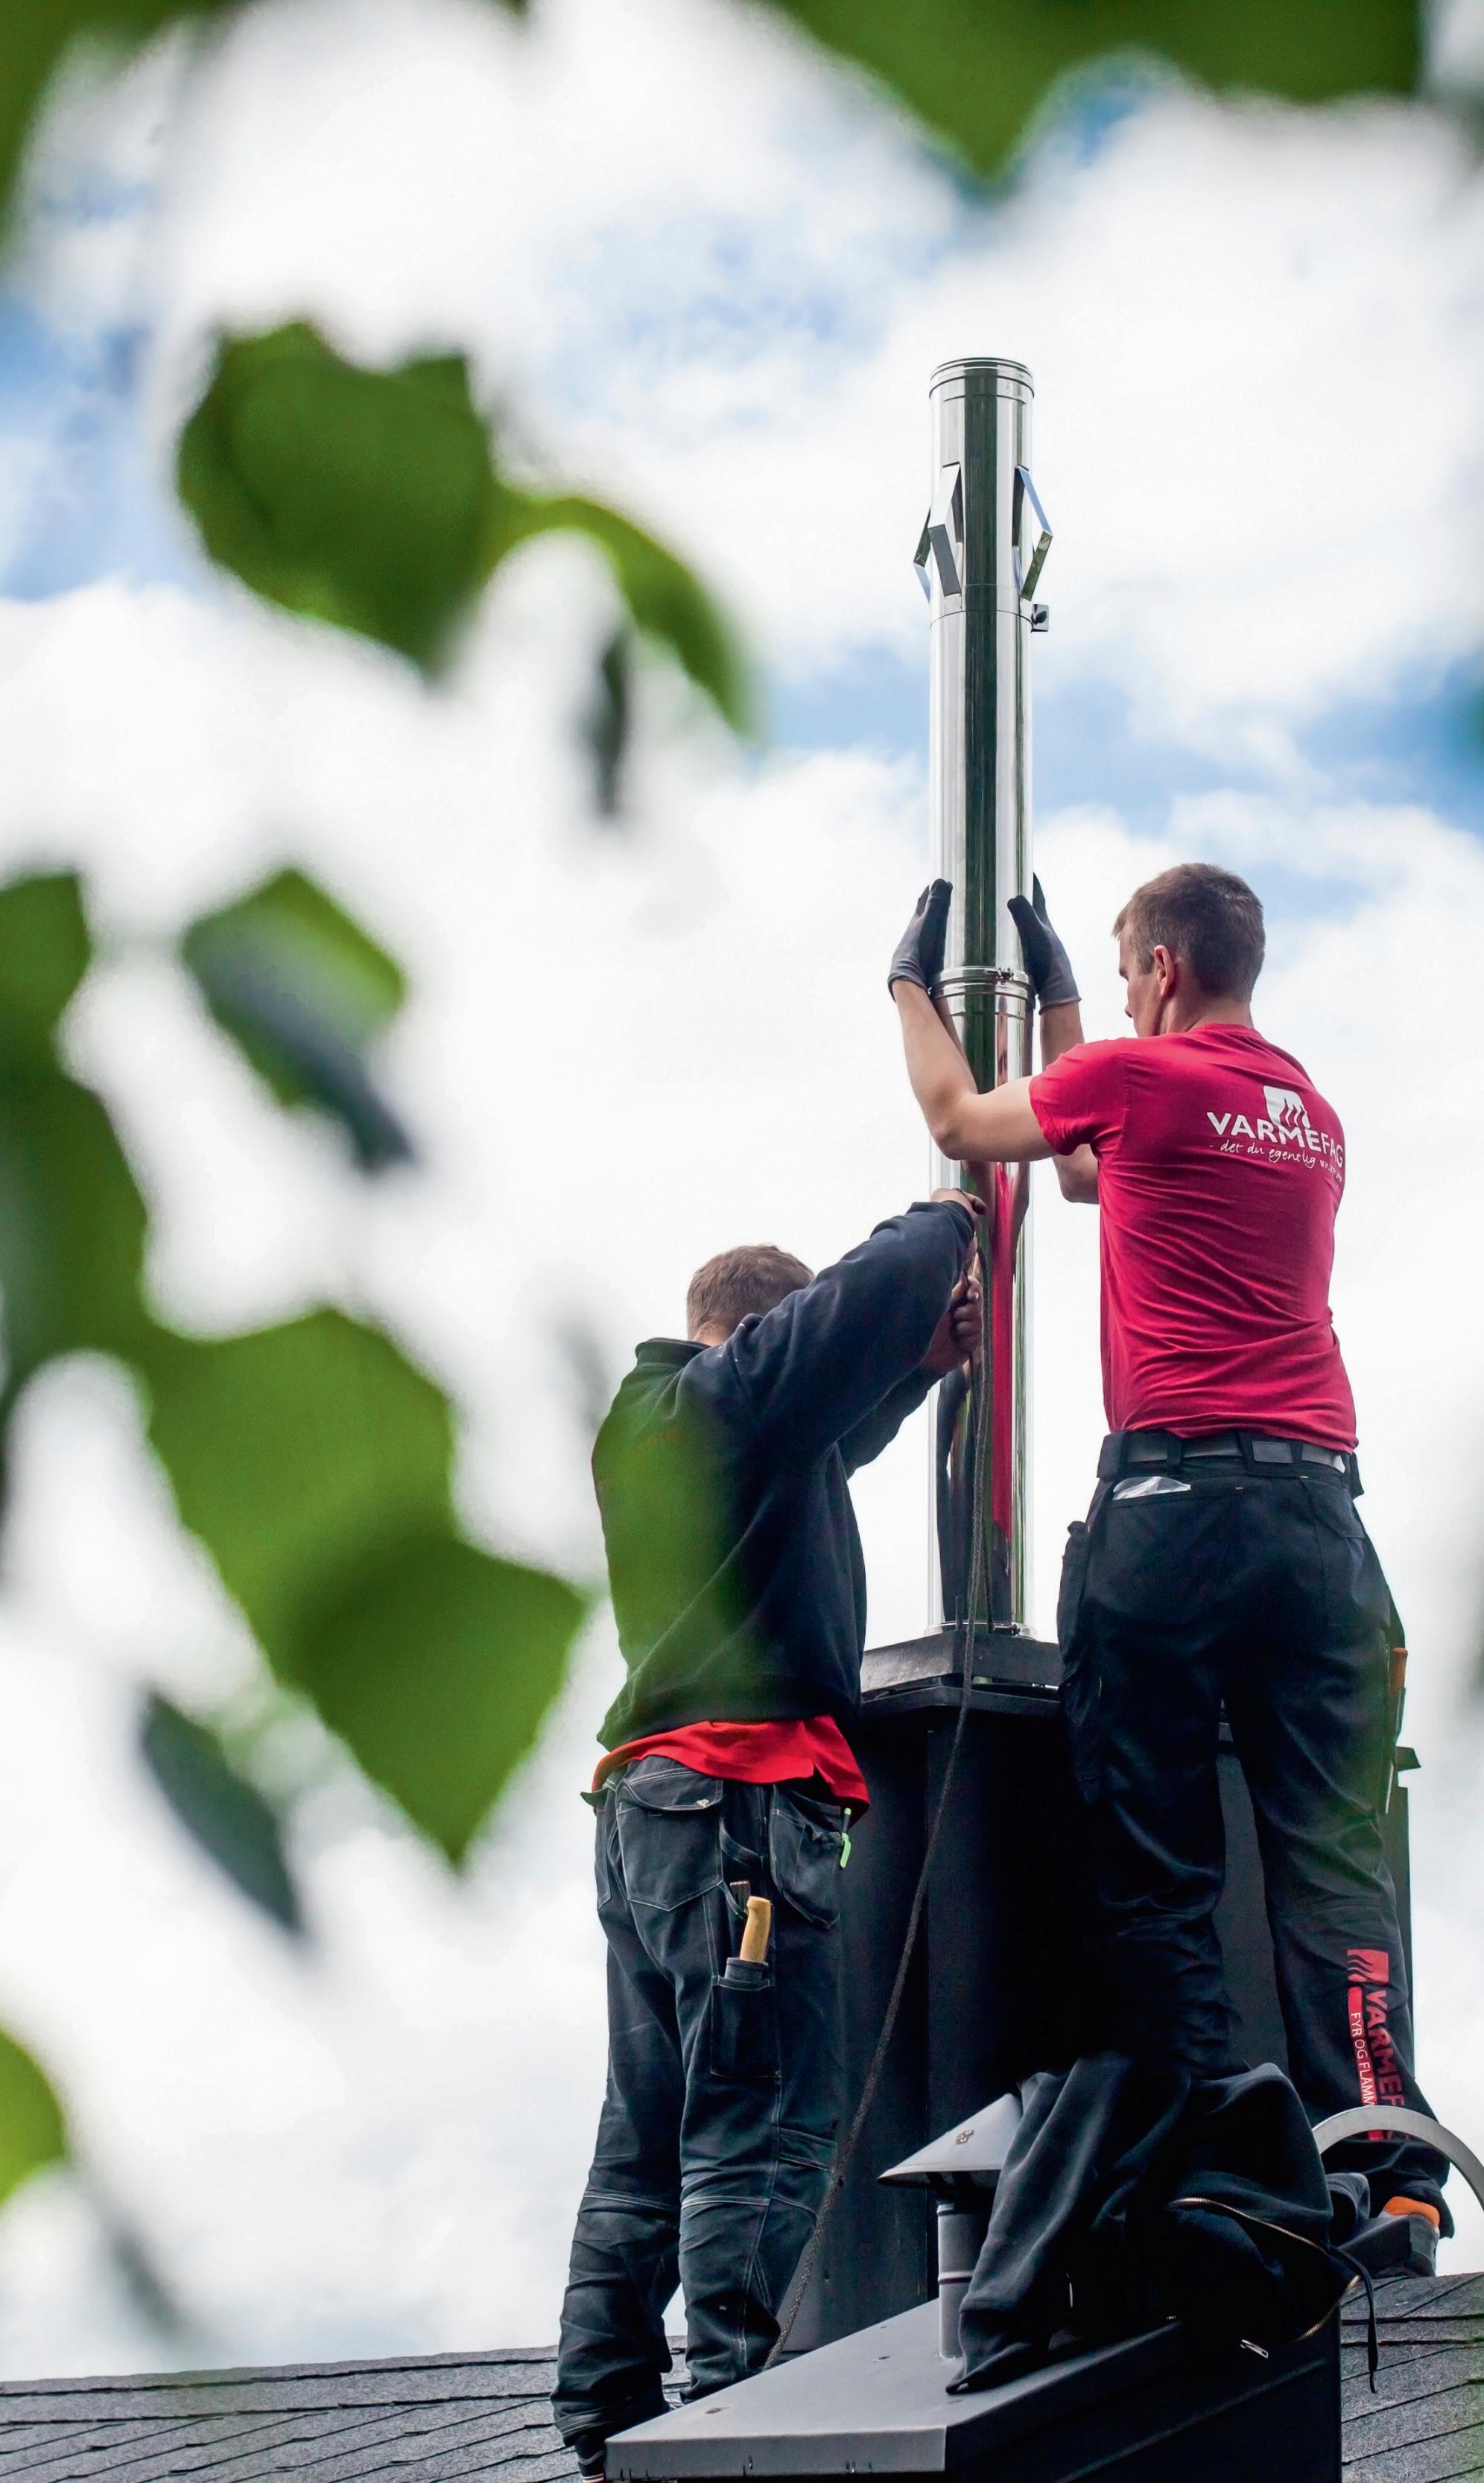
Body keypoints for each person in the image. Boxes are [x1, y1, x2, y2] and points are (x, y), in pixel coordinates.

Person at [888, 860, 1448, 2239]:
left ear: (1162, 971)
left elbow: (966, 1122)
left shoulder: (1141, 1079)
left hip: (1174, 1511)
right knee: (1333, 1858)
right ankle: (1394, 2173)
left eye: (1124, 973)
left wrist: (908, 985)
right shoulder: (1308, 1112)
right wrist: (1066, 1003)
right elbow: (1095, 1175)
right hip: (1321, 1524)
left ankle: (1224, 2164)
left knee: (1158, 1865)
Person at [552, 1199, 984, 2477]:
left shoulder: (672, 1433)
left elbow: (821, 1438)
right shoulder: (719, 1399)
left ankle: (607, 2409)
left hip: (652, 1814)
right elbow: (847, 1318)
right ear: (758, 1335)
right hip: (740, 1809)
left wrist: (913, 1371)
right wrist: (950, 1216)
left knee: (645, 2130)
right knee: (757, 2126)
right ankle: (731, 2418)